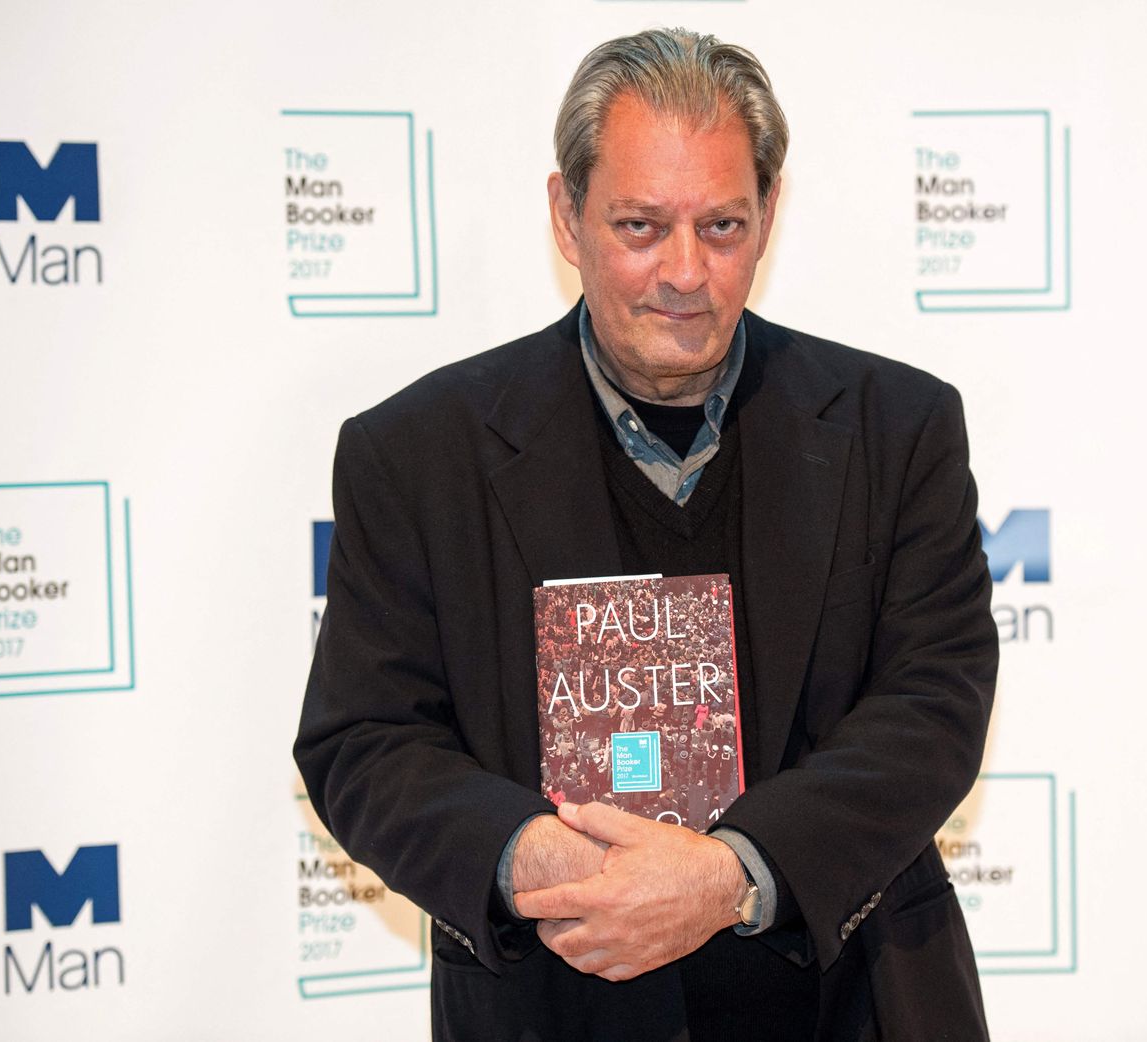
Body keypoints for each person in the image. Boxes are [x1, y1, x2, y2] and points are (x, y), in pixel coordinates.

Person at [295, 27, 998, 1042]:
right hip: (551, 1005)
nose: (684, 272)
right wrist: (526, 854)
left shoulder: (897, 425)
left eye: (721, 226)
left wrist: (729, 875)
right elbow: (362, 741)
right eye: (639, 225)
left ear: (768, 216)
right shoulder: (414, 453)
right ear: (565, 216)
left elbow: (933, 705)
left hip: (853, 1005)